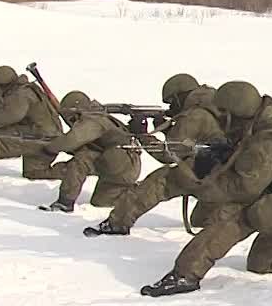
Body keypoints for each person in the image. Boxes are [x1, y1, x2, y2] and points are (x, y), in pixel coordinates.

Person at [138, 80, 272, 297]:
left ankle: (186, 274)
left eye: (223, 113)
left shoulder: (264, 142)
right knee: (261, 262)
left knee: (235, 218)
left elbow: (243, 187)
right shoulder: (268, 119)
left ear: (235, 113)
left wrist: (201, 185)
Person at [84, 73, 226, 234]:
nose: (171, 108)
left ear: (179, 97)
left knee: (160, 181)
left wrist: (142, 135)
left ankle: (117, 223)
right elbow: (190, 143)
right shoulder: (216, 105)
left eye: (172, 103)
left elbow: (167, 155)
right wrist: (169, 130)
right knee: (200, 221)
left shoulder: (193, 115)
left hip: (210, 167)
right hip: (226, 168)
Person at [37, 91, 142, 212]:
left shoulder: (92, 119)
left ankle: (65, 203)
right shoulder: (99, 115)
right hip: (126, 166)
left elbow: (72, 140)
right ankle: (140, 190)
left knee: (81, 161)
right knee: (101, 201)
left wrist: (48, 147)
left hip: (118, 160)